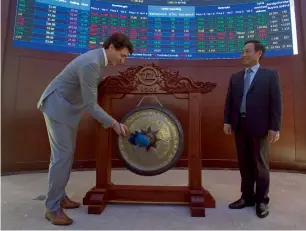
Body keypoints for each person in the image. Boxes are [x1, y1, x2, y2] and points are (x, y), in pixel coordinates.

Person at [37, 32, 134, 225]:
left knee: (64, 156)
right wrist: (114, 124)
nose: (122, 60)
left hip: (65, 108)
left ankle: (60, 196)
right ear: (112, 47)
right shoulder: (91, 63)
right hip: (58, 107)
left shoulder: (97, 59)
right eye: (122, 55)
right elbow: (91, 105)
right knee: (62, 157)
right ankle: (52, 209)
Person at [223, 39, 282, 218]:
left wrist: (275, 127)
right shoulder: (236, 77)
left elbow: (276, 103)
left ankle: (262, 200)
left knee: (260, 165)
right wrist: (227, 121)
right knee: (244, 164)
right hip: (240, 126)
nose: (243, 55)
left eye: (247, 51)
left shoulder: (270, 75)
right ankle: (247, 197)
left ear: (259, 53)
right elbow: (229, 102)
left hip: (261, 127)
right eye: (243, 51)